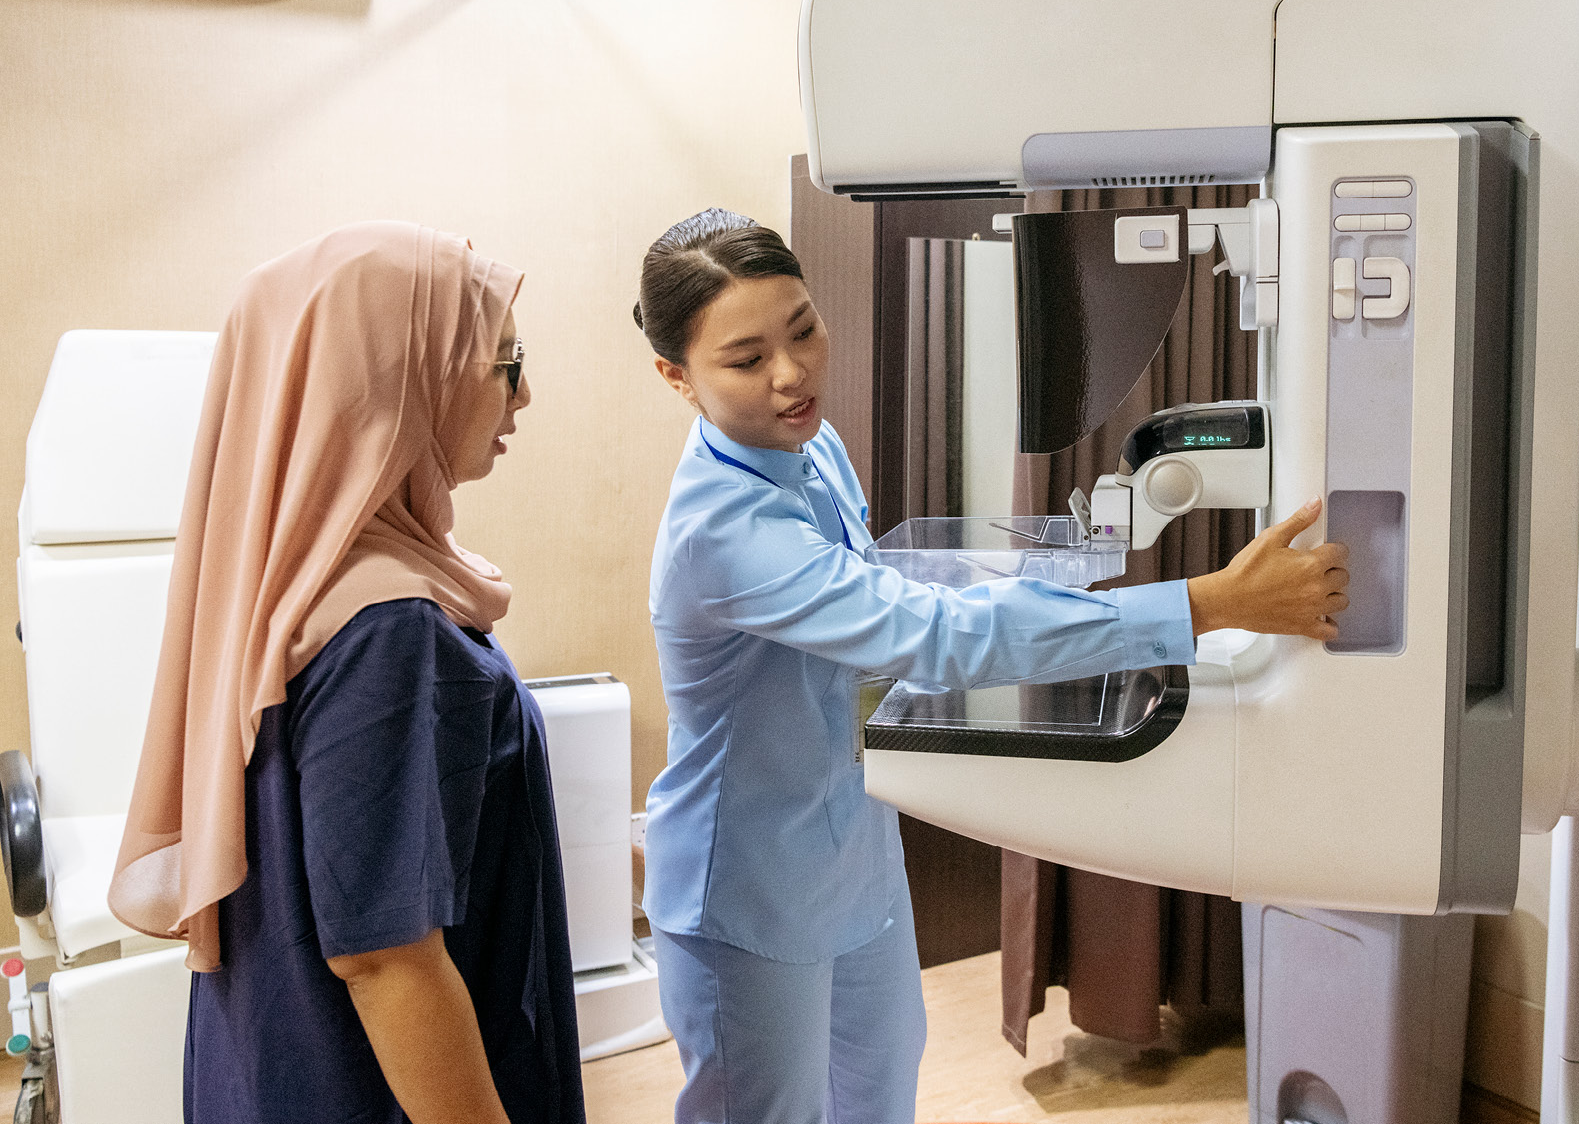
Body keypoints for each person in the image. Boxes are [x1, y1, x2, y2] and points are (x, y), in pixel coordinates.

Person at [636, 207, 1348, 1124]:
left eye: (804, 329)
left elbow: (874, 582)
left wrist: (1061, 554)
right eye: (746, 359)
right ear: (675, 375)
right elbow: (930, 636)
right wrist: (1206, 605)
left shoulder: (808, 449)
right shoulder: (722, 533)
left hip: (852, 851)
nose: (793, 373)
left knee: (881, 1098)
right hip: (748, 888)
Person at [109, 222, 584, 1124]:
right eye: (504, 366)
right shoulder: (392, 632)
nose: (525, 397)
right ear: (397, 382)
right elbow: (385, 954)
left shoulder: (277, 590)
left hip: (274, 1063)